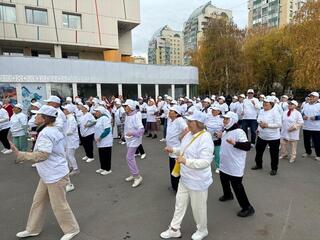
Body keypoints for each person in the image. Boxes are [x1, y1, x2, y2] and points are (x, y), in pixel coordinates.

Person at [12, 105, 80, 240]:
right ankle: (32, 229)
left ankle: (72, 229)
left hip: (55, 175)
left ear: (45, 119)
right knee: (38, 202)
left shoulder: (46, 132)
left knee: (59, 205)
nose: (35, 117)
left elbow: (43, 155)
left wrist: (21, 155)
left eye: (38, 115)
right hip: (49, 173)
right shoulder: (52, 129)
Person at [160, 111, 214, 240]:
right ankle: (174, 229)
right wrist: (173, 149)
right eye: (188, 121)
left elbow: (205, 162)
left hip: (198, 181)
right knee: (179, 204)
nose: (187, 123)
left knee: (198, 208)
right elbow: (184, 149)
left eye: (191, 121)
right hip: (185, 178)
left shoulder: (206, 138)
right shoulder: (190, 134)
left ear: (199, 124)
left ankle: (202, 230)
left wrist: (186, 161)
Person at [218, 112, 254, 217]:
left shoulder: (239, 132)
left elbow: (247, 146)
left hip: (235, 165)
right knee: (223, 179)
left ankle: (247, 207)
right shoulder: (225, 131)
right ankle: (228, 194)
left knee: (237, 186)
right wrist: (219, 135)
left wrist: (235, 143)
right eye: (224, 119)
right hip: (225, 163)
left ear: (233, 120)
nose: (224, 121)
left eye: (227, 119)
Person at [251, 97, 282, 175]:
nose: (264, 104)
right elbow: (259, 120)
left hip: (273, 137)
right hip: (262, 136)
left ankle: (274, 169)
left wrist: (267, 125)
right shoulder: (261, 111)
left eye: (266, 103)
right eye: (264, 102)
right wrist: (258, 128)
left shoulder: (275, 112)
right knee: (259, 151)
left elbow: (279, 124)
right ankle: (258, 165)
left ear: (271, 104)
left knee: (274, 154)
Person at [164, 105, 188, 192]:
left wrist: (181, 136)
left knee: (176, 170)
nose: (169, 112)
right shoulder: (170, 119)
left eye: (172, 111)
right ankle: (174, 186)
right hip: (171, 149)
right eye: (169, 110)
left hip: (176, 149)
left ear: (176, 113)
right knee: (172, 169)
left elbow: (187, 129)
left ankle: (178, 188)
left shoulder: (180, 120)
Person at [122, 99, 144, 188]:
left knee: (129, 157)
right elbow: (127, 127)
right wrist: (124, 135)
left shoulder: (136, 116)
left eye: (126, 106)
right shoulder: (128, 115)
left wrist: (132, 133)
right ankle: (133, 173)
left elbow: (141, 130)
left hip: (134, 140)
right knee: (130, 158)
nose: (124, 107)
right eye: (124, 106)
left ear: (130, 107)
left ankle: (137, 176)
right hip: (129, 139)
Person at [301, 92, 320, 161]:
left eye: (313, 97)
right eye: (311, 96)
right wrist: (303, 116)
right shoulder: (306, 105)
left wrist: (316, 117)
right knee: (306, 141)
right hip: (306, 126)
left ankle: (318, 155)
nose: (311, 98)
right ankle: (308, 152)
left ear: (317, 98)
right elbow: (302, 112)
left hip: (316, 127)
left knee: (317, 142)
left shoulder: (319, 105)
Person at [94, 106, 113, 175]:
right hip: (100, 141)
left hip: (105, 141)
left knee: (106, 155)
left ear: (101, 112)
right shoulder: (99, 119)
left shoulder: (105, 118)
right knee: (101, 155)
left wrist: (100, 137)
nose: (95, 113)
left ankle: (108, 169)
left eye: (97, 111)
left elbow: (107, 130)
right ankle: (102, 167)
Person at [205, 106, 224, 174]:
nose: (213, 111)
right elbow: (203, 126)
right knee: (207, 153)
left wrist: (220, 133)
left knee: (217, 153)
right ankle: (205, 165)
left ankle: (218, 166)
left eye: (215, 110)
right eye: (212, 110)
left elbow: (224, 128)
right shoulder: (207, 117)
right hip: (207, 139)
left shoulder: (221, 119)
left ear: (219, 111)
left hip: (217, 139)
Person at [62, 105, 80, 175]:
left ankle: (75, 169)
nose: (64, 111)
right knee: (67, 155)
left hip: (72, 140)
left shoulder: (71, 119)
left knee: (70, 155)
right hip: (68, 140)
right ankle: (71, 167)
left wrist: (63, 134)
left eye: (65, 109)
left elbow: (71, 130)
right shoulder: (68, 118)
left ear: (68, 110)